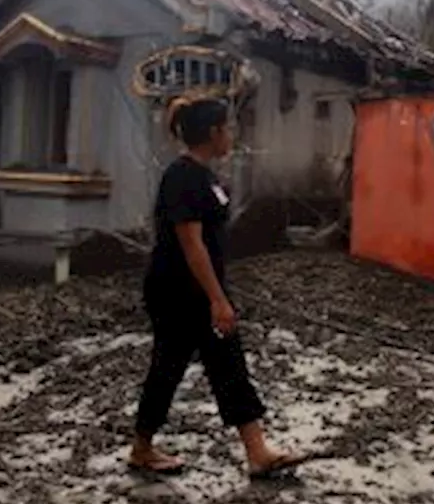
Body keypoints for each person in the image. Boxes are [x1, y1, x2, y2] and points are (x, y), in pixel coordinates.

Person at [128, 96, 305, 479]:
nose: (233, 135)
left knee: (218, 362)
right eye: (229, 128)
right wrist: (218, 299)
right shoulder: (183, 177)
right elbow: (192, 247)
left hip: (195, 288)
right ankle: (145, 448)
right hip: (177, 290)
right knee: (178, 365)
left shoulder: (204, 176)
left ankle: (255, 450)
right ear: (213, 133)